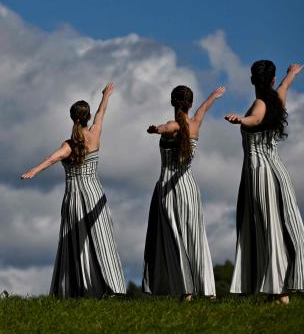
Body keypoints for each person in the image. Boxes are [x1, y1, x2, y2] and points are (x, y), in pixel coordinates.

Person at [21, 83, 126, 298]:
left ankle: (79, 289)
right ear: (87, 117)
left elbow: (53, 158)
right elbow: (101, 112)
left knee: (76, 240)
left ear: (72, 118)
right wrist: (106, 96)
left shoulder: (69, 144)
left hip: (76, 196)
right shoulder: (95, 134)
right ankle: (111, 287)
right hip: (96, 193)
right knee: (101, 238)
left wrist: (34, 170)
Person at [225, 61, 304, 304]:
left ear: (252, 81)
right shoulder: (278, 98)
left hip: (259, 172)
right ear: (272, 80)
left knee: (267, 227)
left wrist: (241, 120)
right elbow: (285, 85)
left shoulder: (260, 104)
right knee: (278, 225)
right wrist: (292, 73)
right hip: (277, 170)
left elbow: (256, 119)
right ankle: (275, 289)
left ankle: (280, 291)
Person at [142, 85, 225, 300]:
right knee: (195, 237)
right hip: (189, 188)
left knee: (175, 238)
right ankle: (207, 291)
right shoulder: (195, 123)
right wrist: (213, 96)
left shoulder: (173, 125)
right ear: (190, 104)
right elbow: (203, 108)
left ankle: (185, 291)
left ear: (172, 102)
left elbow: (166, 127)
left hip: (169, 188)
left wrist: (156, 130)